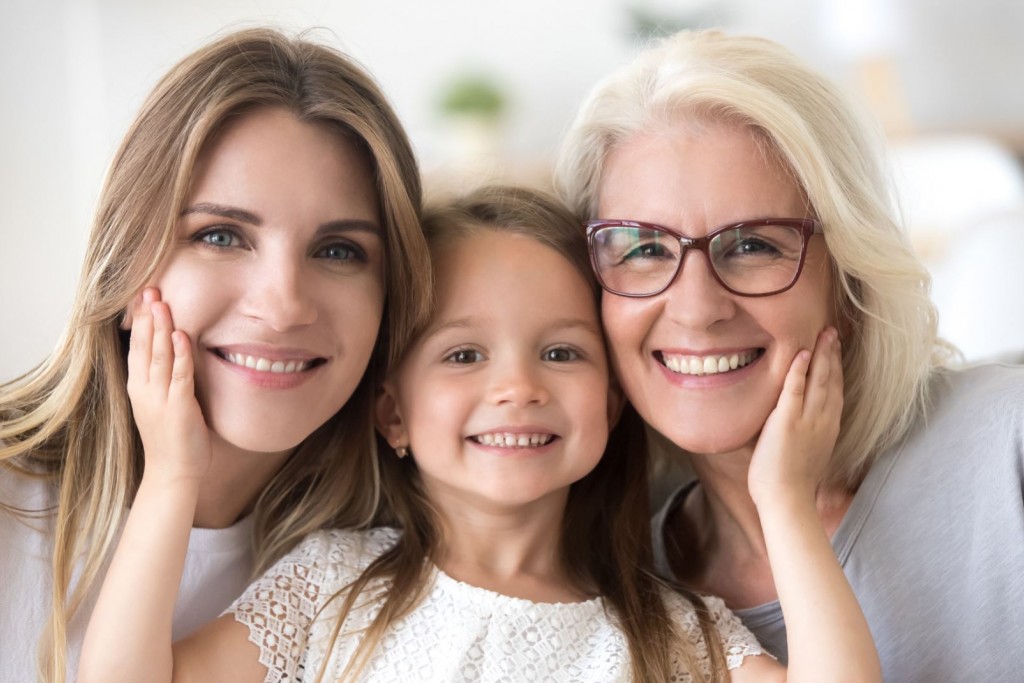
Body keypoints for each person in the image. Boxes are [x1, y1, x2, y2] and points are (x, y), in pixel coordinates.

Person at [79, 185, 881, 682]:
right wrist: (170, 475)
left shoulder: (673, 635)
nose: (518, 387)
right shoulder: (330, 587)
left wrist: (783, 500)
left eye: (561, 352)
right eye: (463, 353)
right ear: (392, 411)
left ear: (611, 401)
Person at [554, 28, 1024, 682]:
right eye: (643, 247)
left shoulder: (1007, 447)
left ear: (850, 279)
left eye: (753, 245)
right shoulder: (623, 600)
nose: (695, 307)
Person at [0, 27, 431, 682]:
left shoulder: (388, 561)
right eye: (222, 235)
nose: (284, 305)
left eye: (340, 250)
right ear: (123, 262)